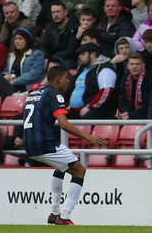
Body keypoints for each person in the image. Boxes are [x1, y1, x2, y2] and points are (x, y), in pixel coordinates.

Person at [23, 65, 107, 225]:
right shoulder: (54, 95)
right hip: (45, 143)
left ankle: (55, 212)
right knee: (79, 171)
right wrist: (88, 137)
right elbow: (64, 124)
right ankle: (65, 216)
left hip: (29, 144)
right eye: (67, 78)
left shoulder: (33, 93)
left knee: (61, 167)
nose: (69, 81)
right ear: (59, 79)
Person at [68, 43, 119, 119]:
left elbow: (106, 92)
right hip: (76, 109)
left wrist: (90, 107)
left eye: (83, 54)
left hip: (97, 110)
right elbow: (76, 88)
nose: (79, 56)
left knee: (87, 120)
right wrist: (71, 105)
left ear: (92, 54)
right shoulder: (81, 68)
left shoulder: (105, 69)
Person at [0, 28, 45, 98]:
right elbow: (5, 70)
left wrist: (15, 81)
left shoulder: (37, 54)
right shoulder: (11, 55)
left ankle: (14, 96)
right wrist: (5, 75)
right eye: (15, 39)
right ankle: (14, 95)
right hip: (12, 87)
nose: (17, 41)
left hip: (26, 86)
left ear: (27, 40)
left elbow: (34, 73)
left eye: (20, 39)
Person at [39, 1, 80, 69]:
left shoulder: (74, 26)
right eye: (53, 12)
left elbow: (71, 50)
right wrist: (46, 57)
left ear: (65, 12)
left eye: (58, 11)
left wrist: (53, 58)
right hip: (53, 57)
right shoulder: (50, 26)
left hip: (69, 59)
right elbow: (44, 45)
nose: (56, 15)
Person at [119, 52, 152, 119]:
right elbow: (123, 101)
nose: (134, 67)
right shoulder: (125, 79)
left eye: (137, 64)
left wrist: (130, 115)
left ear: (143, 66)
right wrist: (126, 113)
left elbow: (148, 104)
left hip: (146, 116)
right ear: (128, 66)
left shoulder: (150, 79)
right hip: (129, 114)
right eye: (132, 64)